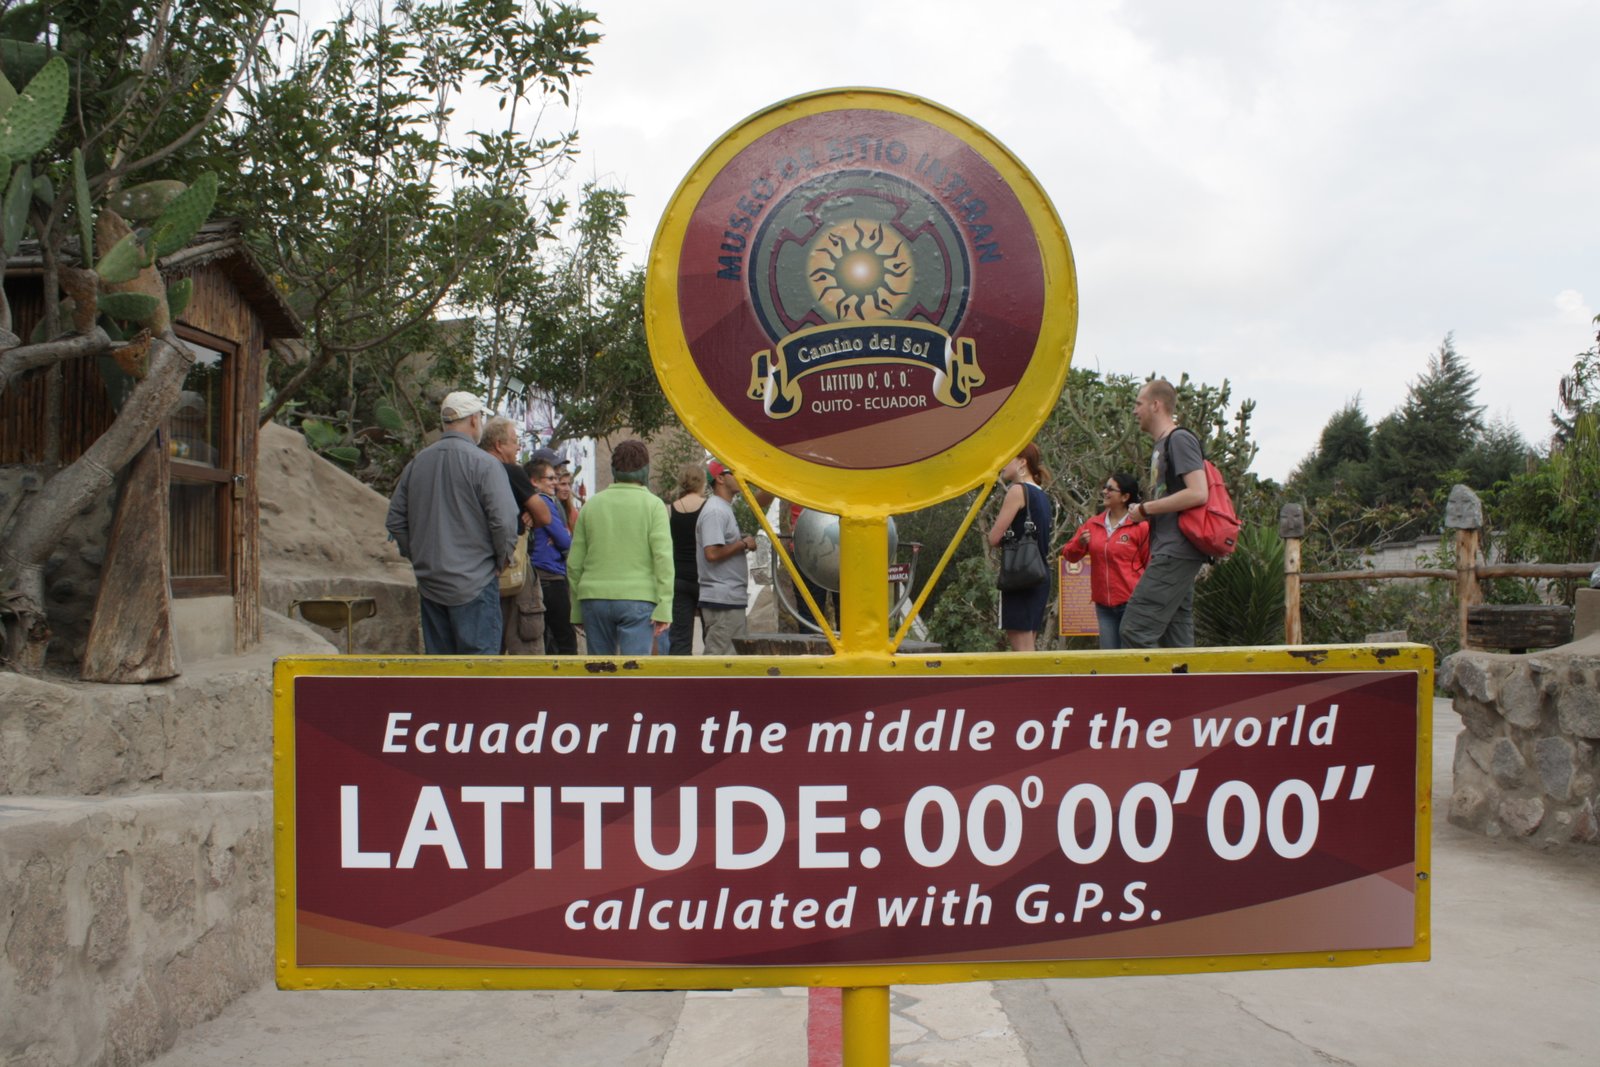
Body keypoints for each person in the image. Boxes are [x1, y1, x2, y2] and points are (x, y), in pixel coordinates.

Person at [385, 391, 518, 654]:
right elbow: (503, 522)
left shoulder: (418, 463)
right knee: (480, 676)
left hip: (431, 583)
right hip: (476, 583)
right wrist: (502, 558)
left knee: (442, 677)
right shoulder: (485, 465)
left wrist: (418, 556)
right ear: (473, 421)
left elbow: (396, 520)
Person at [1120, 377, 1210, 648]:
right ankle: (1185, 689)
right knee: (1176, 640)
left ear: (1156, 405)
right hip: (1170, 550)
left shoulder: (1178, 439)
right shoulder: (1161, 446)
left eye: (1139, 403)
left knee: (1135, 629)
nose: (1135, 411)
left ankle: (1147, 691)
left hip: (1176, 551)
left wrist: (1145, 509)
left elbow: (1198, 492)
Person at [566, 440, 673, 655]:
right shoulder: (654, 506)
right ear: (646, 470)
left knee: (599, 672)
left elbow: (574, 564)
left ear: (613, 470)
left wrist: (577, 610)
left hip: (593, 598)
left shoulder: (591, 506)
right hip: (638, 598)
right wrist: (665, 606)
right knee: (633, 675)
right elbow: (663, 559)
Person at [480, 416, 550, 653]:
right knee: (526, 637)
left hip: (475, 570)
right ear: (499, 445)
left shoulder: (471, 469)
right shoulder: (510, 471)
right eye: (514, 441)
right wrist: (530, 513)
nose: (518, 447)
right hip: (514, 568)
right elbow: (544, 516)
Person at [1062, 472, 1150, 650]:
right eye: (1105, 487)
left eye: (1110, 489)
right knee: (1109, 661)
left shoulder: (1140, 526)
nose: (1104, 491)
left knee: (1131, 658)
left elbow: (1149, 565)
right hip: (1104, 607)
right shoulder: (1092, 524)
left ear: (1125, 496)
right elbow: (1069, 555)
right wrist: (1080, 544)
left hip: (1132, 604)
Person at [986, 442, 1053, 652]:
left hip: (1020, 576)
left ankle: (1035, 686)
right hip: (1039, 573)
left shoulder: (1017, 491)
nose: (1003, 464)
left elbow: (994, 538)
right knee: (1029, 648)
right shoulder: (1042, 495)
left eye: (1008, 458)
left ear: (1022, 462)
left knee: (1023, 655)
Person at [696, 459, 759, 655]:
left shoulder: (723, 508)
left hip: (729, 598)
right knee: (720, 662)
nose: (741, 477)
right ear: (720, 478)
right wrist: (743, 543)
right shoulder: (715, 510)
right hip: (722, 600)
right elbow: (712, 553)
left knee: (731, 660)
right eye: (734, 472)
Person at [527, 457, 577, 654]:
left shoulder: (531, 502)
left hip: (538, 573)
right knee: (564, 635)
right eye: (551, 478)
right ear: (535, 481)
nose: (555, 483)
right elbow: (564, 540)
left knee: (547, 635)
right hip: (550, 574)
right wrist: (562, 537)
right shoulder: (545, 502)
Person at [666, 462, 708, 654]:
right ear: (702, 483)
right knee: (711, 637)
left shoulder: (670, 510)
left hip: (679, 579)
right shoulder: (708, 508)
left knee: (680, 639)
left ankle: (679, 681)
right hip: (705, 579)